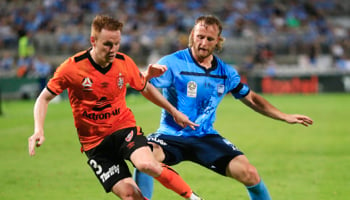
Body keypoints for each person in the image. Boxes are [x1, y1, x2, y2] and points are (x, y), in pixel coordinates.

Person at [134, 15, 314, 200]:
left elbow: (251, 99)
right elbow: (142, 84)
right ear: (192, 35)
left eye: (209, 39)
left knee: (249, 173)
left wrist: (283, 116)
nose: (203, 43)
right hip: (170, 135)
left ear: (218, 41)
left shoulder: (226, 73)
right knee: (145, 158)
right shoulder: (172, 62)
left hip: (205, 136)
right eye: (200, 36)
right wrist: (147, 75)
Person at [28, 15, 203, 200]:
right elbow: (43, 98)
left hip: (123, 129)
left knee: (146, 165)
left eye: (117, 44)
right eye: (107, 44)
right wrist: (38, 129)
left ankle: (193, 198)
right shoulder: (72, 68)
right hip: (95, 144)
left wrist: (173, 111)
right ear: (93, 41)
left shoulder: (124, 62)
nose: (113, 50)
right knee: (130, 195)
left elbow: (144, 86)